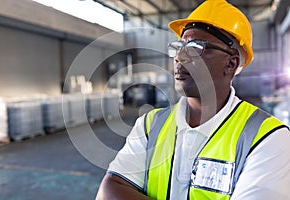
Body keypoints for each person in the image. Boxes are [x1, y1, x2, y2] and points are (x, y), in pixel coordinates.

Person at [96, 0, 290, 199]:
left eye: (196, 47)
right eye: (180, 46)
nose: (180, 56)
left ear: (230, 63)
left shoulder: (267, 138)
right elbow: (109, 190)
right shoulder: (150, 125)